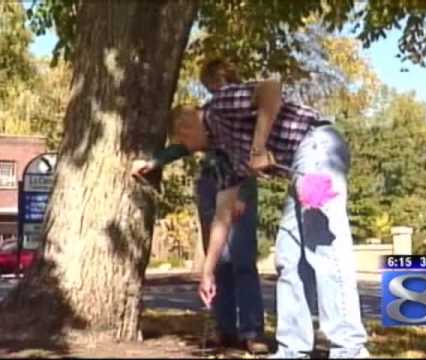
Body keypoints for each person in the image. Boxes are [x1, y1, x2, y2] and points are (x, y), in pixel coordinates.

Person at [159, 79, 370, 359]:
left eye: (183, 143)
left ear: (185, 126)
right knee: (288, 258)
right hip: (299, 165)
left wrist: (258, 149)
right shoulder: (225, 151)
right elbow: (223, 213)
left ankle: (350, 349)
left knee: (324, 250)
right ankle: (292, 350)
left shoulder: (218, 106)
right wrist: (208, 272)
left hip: (318, 149)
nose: (191, 149)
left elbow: (271, 89)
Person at [133, 59, 268, 354]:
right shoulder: (206, 114)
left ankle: (252, 331)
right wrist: (154, 162)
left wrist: (243, 193)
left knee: (242, 258)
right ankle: (224, 328)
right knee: (218, 258)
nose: (215, 90)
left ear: (231, 80)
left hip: (240, 184)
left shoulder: (246, 111)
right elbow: (183, 145)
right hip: (211, 183)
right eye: (211, 87)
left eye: (219, 84)